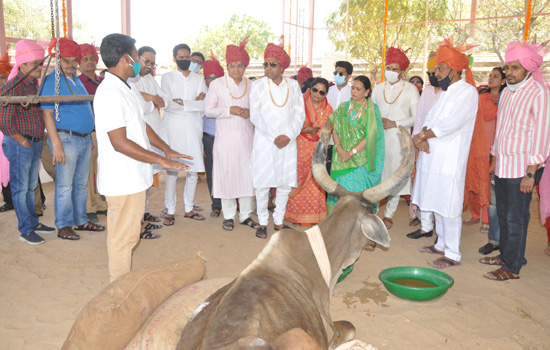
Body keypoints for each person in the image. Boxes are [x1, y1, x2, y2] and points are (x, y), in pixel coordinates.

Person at [95, 33, 191, 282]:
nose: (140, 62)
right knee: (122, 238)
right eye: (137, 56)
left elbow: (141, 126)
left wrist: (165, 149)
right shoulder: (109, 93)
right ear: (126, 58)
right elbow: (119, 142)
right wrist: (159, 160)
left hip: (133, 177)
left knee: (130, 235)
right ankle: (117, 288)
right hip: (122, 178)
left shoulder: (125, 88)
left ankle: (121, 282)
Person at [481, 40, 550, 280]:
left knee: (516, 217)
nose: (508, 72)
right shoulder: (507, 93)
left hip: (523, 168)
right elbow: (501, 130)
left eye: (514, 68)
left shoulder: (539, 93)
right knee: (503, 213)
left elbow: (542, 135)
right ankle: (507, 255)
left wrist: (531, 172)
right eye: (507, 67)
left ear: (528, 69)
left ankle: (512, 268)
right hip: (503, 165)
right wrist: (494, 158)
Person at [413, 36, 478, 269]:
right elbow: (429, 119)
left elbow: (452, 123)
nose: (436, 73)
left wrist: (423, 136)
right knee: (436, 201)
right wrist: (420, 137)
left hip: (450, 160)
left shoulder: (467, 92)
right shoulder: (445, 92)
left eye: (440, 68)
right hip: (432, 158)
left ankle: (452, 253)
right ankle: (440, 244)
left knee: (449, 205)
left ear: (453, 69)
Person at [41, 38, 104, 240]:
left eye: (72, 60)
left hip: (84, 139)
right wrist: (56, 144)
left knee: (80, 184)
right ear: (58, 60)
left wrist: (89, 137)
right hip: (65, 139)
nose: (70, 64)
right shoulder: (52, 80)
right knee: (65, 185)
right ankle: (64, 225)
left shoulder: (76, 79)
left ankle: (80, 219)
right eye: (66, 60)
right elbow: (47, 114)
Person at [0, 40, 55, 244]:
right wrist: (22, 141)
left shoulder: (33, 85)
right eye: (35, 63)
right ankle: (25, 229)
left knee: (31, 186)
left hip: (34, 142)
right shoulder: (12, 86)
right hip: (19, 144)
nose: (39, 67)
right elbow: (4, 121)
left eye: (40, 63)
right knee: (21, 188)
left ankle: (33, 222)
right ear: (22, 65)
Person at [250, 38, 305, 239]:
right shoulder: (257, 86)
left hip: (288, 142)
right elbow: (255, 115)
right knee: (263, 183)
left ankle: (279, 221)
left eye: (272, 64)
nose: (268, 68)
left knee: (284, 184)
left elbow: (300, 114)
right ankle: (263, 222)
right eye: (265, 63)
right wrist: (275, 137)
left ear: (282, 66)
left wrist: (289, 136)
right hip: (265, 141)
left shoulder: (293, 85)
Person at [205, 39, 258, 232]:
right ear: (227, 66)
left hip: (246, 140)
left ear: (245, 66)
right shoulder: (218, 84)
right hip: (225, 141)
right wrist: (230, 110)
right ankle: (228, 215)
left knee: (246, 176)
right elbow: (208, 111)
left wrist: (250, 112)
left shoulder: (252, 85)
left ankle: (245, 215)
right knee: (226, 175)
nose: (236, 69)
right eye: (232, 65)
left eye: (239, 65)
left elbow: (259, 109)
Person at [372, 47, 419, 230]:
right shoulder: (378, 89)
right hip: (379, 138)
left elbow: (416, 117)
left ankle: (389, 214)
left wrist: (395, 123)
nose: (391, 71)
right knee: (378, 174)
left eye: (395, 69)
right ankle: (373, 210)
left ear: (402, 71)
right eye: (389, 67)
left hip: (399, 139)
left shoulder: (410, 90)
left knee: (395, 175)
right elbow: (372, 112)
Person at [161, 44, 207, 225]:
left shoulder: (199, 79)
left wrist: (182, 102)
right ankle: (170, 210)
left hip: (194, 126)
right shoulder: (167, 78)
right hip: (173, 127)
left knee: (193, 171)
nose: (185, 59)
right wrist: (192, 103)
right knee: (172, 171)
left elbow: (204, 105)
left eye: (187, 56)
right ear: (174, 59)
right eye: (181, 57)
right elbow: (167, 104)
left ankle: (189, 208)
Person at [128, 45, 169, 239]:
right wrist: (154, 101)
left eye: (153, 63)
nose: (150, 66)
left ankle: (142, 215)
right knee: (138, 180)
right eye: (147, 61)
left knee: (146, 180)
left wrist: (152, 98)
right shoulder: (130, 80)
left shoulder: (151, 79)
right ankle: (137, 224)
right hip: (139, 138)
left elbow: (166, 102)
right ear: (137, 59)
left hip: (154, 136)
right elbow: (141, 109)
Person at [463, 67, 506, 255]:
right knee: (475, 181)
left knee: (491, 188)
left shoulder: (507, 100)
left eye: (495, 76)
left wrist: (500, 104)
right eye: (490, 76)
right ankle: (474, 215)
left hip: (497, 150)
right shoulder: (481, 98)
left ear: (503, 81)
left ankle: (487, 221)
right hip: (479, 147)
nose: (491, 79)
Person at [328, 76, 384, 213]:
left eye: (358, 89)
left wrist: (352, 152)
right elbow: (335, 129)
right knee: (341, 192)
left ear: (367, 92)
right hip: (341, 158)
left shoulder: (372, 110)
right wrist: (340, 149)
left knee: (359, 193)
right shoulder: (343, 107)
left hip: (361, 159)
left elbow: (371, 136)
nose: (354, 91)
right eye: (352, 88)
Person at [285, 77, 333, 224]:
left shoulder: (328, 109)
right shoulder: (299, 105)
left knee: (315, 181)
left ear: (326, 94)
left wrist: (319, 135)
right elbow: (289, 125)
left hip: (317, 149)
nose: (317, 94)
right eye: (314, 90)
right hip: (299, 148)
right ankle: (293, 215)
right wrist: (304, 129)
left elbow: (328, 128)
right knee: (296, 179)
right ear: (309, 89)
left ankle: (314, 216)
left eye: (321, 92)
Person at [407, 51, 442, 238]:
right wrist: (417, 140)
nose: (432, 76)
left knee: (438, 187)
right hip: (423, 145)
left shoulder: (449, 92)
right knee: (423, 185)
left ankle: (440, 227)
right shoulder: (427, 92)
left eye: (435, 72)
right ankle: (426, 226)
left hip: (441, 147)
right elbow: (419, 117)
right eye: (429, 74)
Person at [78, 43, 108, 224]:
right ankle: (89, 207)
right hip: (89, 132)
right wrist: (88, 132)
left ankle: (101, 203)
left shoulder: (104, 82)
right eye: (85, 59)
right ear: (79, 64)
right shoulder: (77, 83)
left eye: (92, 59)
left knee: (102, 169)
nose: (89, 62)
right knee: (88, 172)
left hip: (105, 132)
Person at [201, 54, 224, 218]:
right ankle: (216, 204)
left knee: (229, 170)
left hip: (227, 138)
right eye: (208, 78)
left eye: (215, 77)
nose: (211, 81)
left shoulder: (229, 94)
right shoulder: (201, 95)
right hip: (208, 139)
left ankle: (232, 202)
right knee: (212, 173)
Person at [326, 61, 353, 174]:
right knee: (326, 170)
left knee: (340, 172)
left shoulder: (353, 93)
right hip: (326, 139)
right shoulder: (327, 91)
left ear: (349, 76)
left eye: (341, 74)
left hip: (344, 141)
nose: (337, 76)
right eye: (335, 72)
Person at [0, 46, 14, 213]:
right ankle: (9, 201)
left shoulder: (13, 92)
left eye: (3, 77)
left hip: (12, 135)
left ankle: (39, 202)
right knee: (3, 170)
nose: (0, 81)